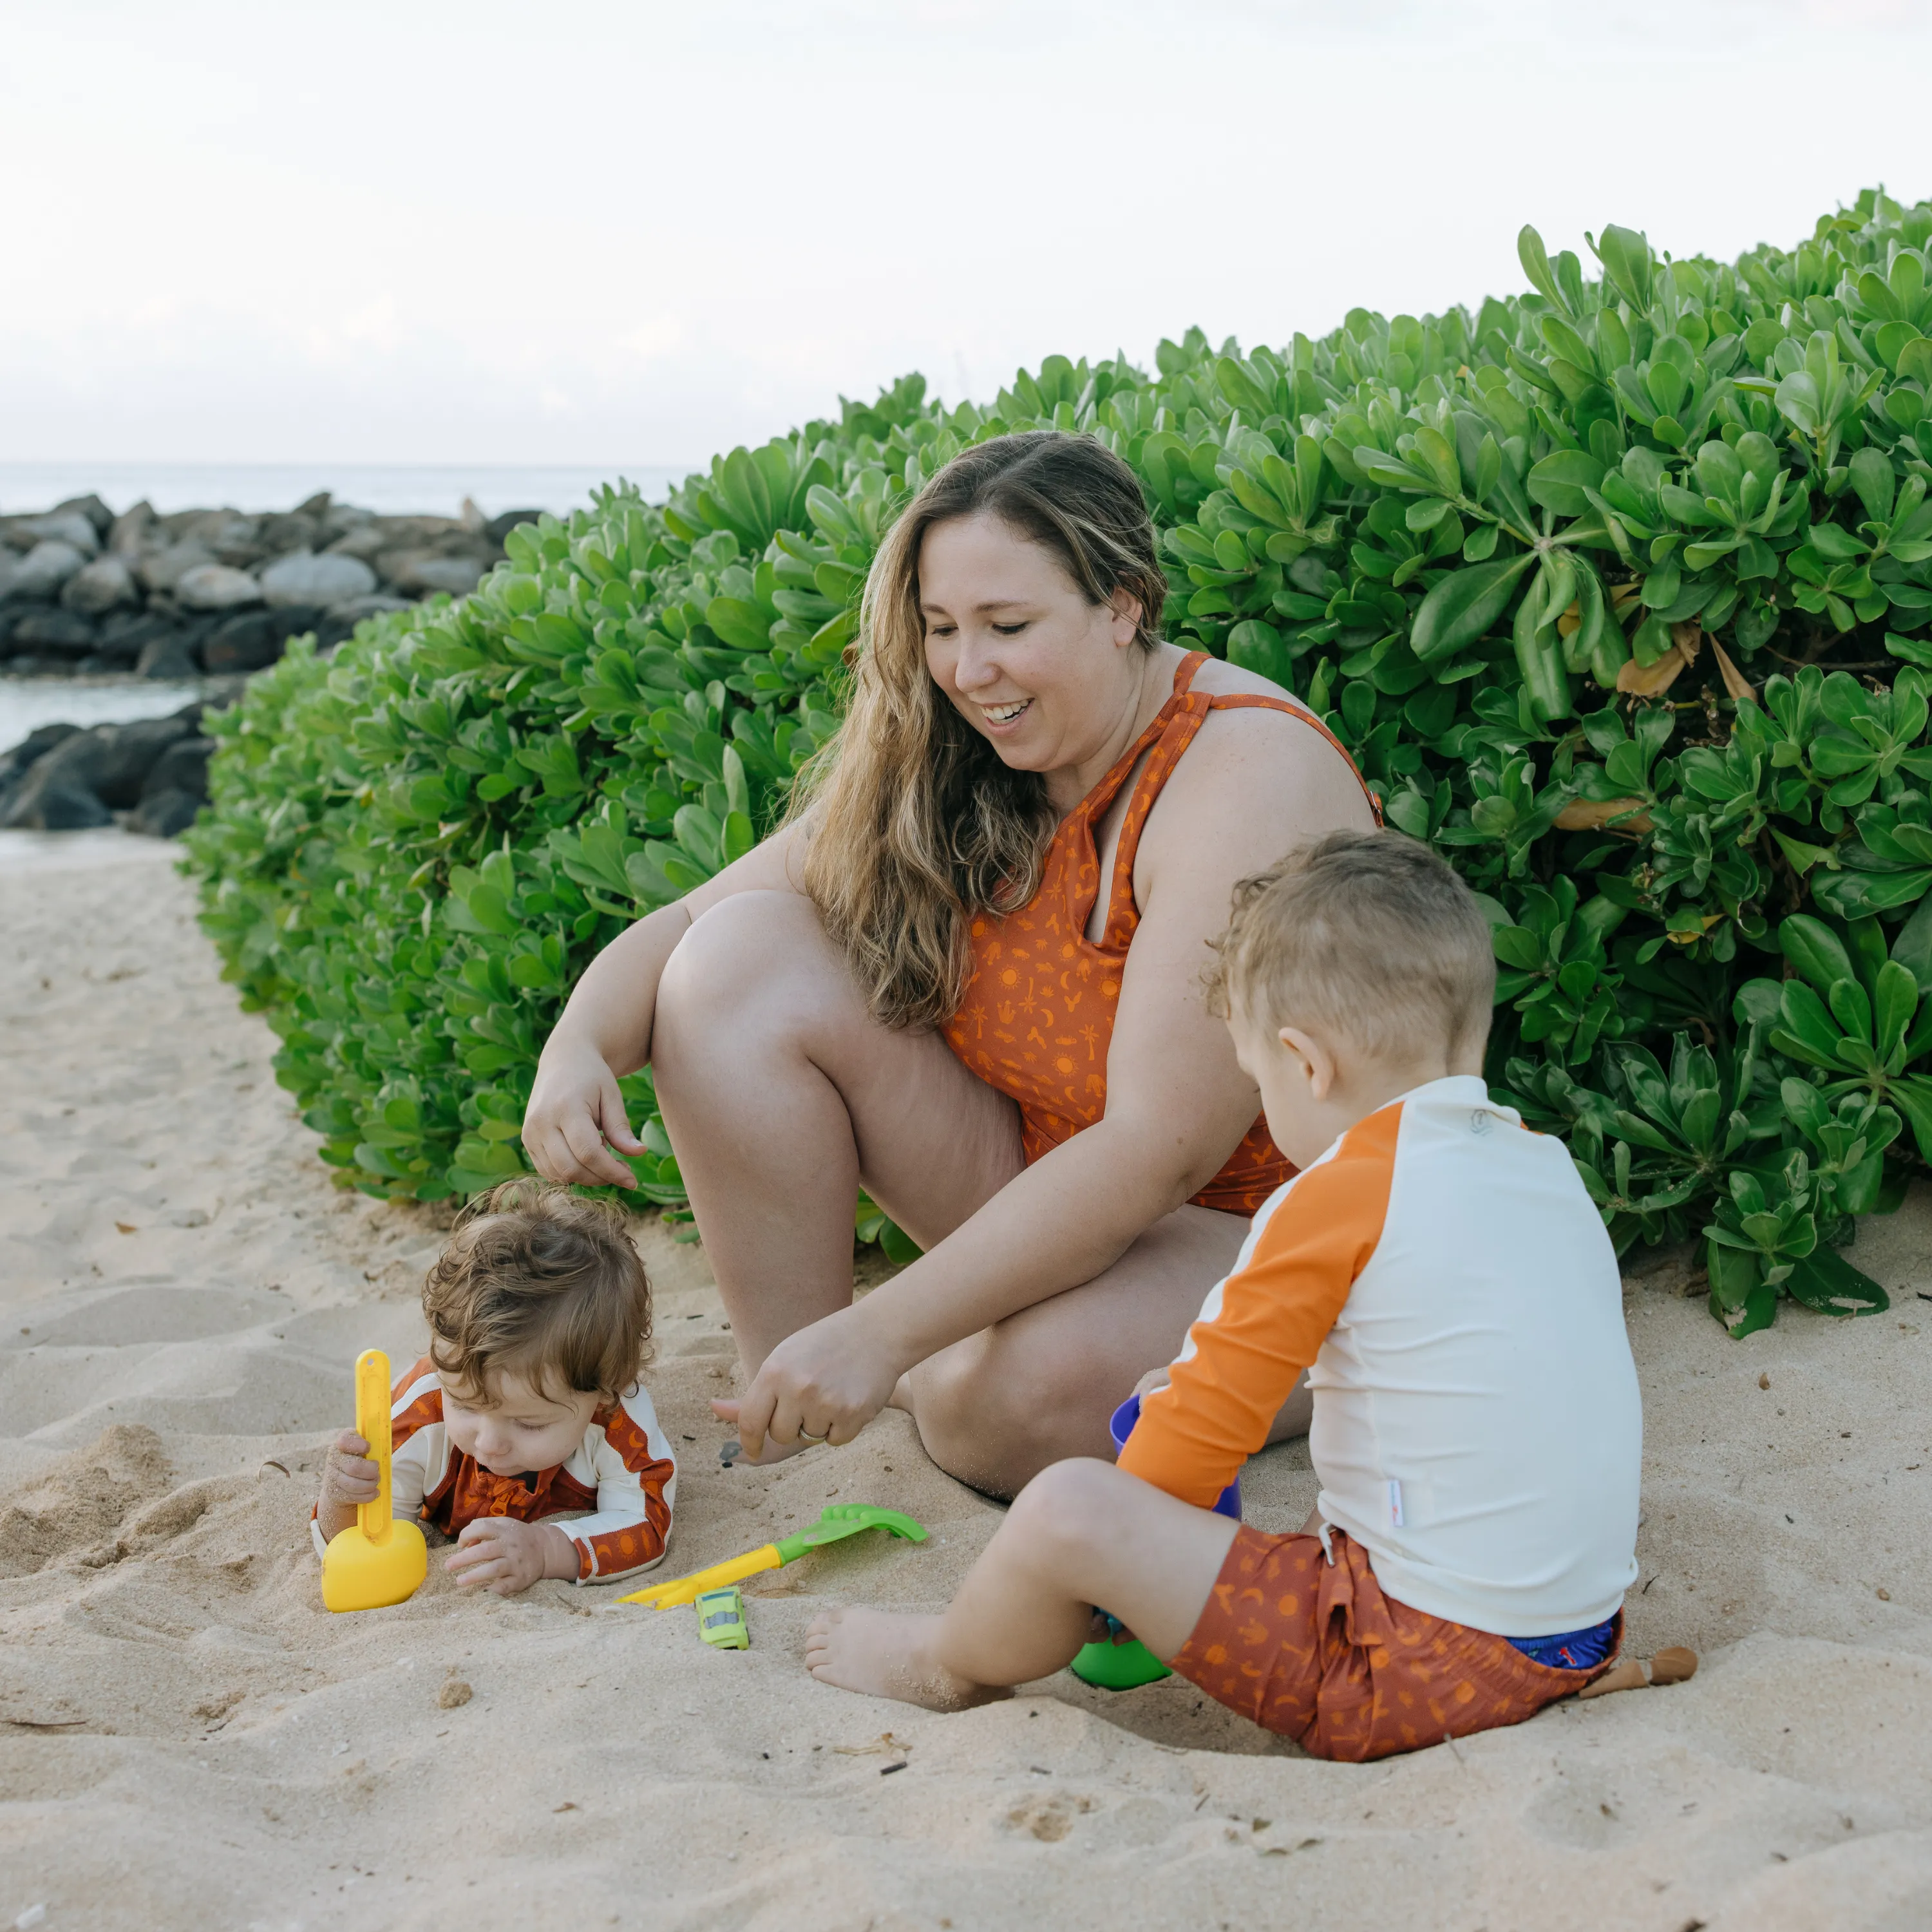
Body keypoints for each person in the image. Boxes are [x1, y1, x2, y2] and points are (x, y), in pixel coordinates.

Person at [522, 431, 1377, 1496]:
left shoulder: (1242, 775)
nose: (970, 672)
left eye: (1008, 627)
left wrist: (883, 1335)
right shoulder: (961, 747)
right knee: (732, 960)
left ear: (1124, 605)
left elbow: (1158, 1152)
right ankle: (790, 1394)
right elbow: (691, 920)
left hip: (1278, 1228)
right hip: (1049, 1189)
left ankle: (884, 1370)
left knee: (1015, 1410)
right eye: (941, 629)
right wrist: (576, 1047)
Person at [804, 832, 1643, 1762]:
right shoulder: (1545, 1167)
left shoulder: (1334, 1196)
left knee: (1068, 1509)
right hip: (1576, 1636)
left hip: (1410, 1665)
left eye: (1257, 1081)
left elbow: (1199, 1432)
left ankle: (943, 1661)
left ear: (1306, 1063)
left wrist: (1128, 1553)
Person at [313, 1180, 676, 1595]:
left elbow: (646, 1525)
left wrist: (546, 1549)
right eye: (466, 1406)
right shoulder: (419, 1415)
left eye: (529, 1424)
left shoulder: (618, 1424)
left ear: (605, 1392)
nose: (489, 1443)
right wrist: (341, 1502)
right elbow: (361, 1551)